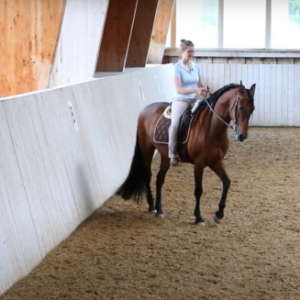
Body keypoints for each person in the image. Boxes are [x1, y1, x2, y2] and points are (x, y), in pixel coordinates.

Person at [168, 39, 211, 167]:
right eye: (189, 52)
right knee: (175, 125)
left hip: (194, 100)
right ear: (182, 52)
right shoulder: (177, 67)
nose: (191, 54)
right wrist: (196, 90)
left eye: (193, 51)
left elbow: (200, 85)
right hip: (181, 100)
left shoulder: (197, 66)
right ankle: (173, 155)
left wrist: (205, 90)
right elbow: (178, 89)